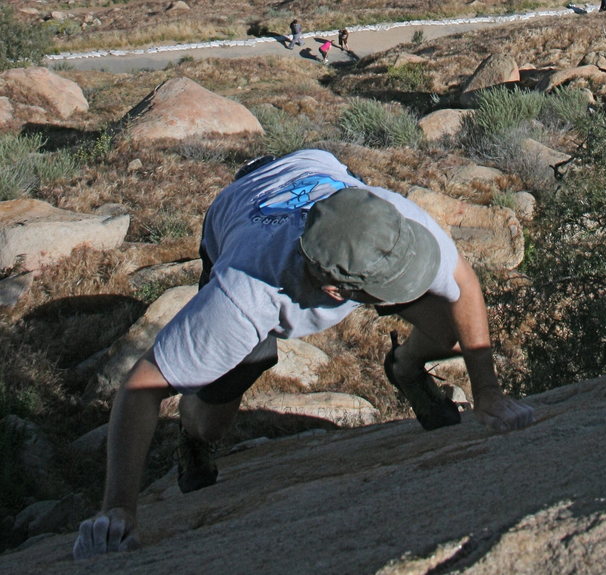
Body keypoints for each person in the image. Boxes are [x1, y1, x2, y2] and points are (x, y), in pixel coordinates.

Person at [71, 149, 536, 560]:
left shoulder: (389, 221)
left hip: (305, 170)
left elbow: (465, 285)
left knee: (453, 329)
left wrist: (489, 393)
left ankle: (406, 365)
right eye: (389, 289)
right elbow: (141, 387)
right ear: (335, 291)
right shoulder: (244, 297)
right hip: (240, 217)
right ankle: (193, 440)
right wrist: (118, 510)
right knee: (215, 416)